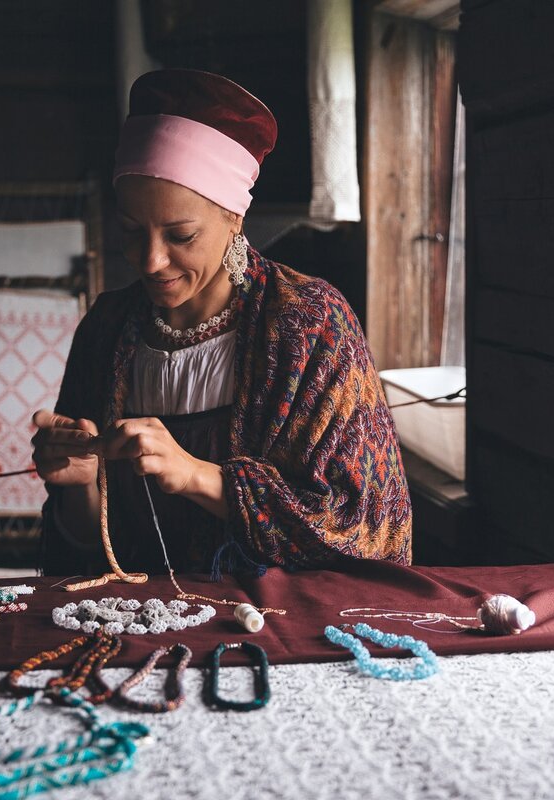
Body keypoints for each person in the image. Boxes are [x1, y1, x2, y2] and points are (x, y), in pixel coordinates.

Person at [32, 69, 410, 577]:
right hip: (141, 623)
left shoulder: (311, 325)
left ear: (235, 217)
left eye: (180, 235)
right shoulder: (106, 329)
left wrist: (196, 476)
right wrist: (78, 484)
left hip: (273, 634)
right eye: (130, 231)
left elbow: (366, 528)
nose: (149, 261)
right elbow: (88, 552)